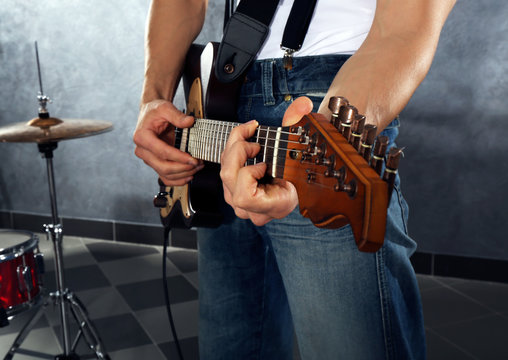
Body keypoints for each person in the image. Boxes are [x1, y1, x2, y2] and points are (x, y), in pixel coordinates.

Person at [134, 0, 456, 358]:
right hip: (224, 100)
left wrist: (316, 152)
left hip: (333, 102)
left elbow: (403, 31)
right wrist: (154, 98)